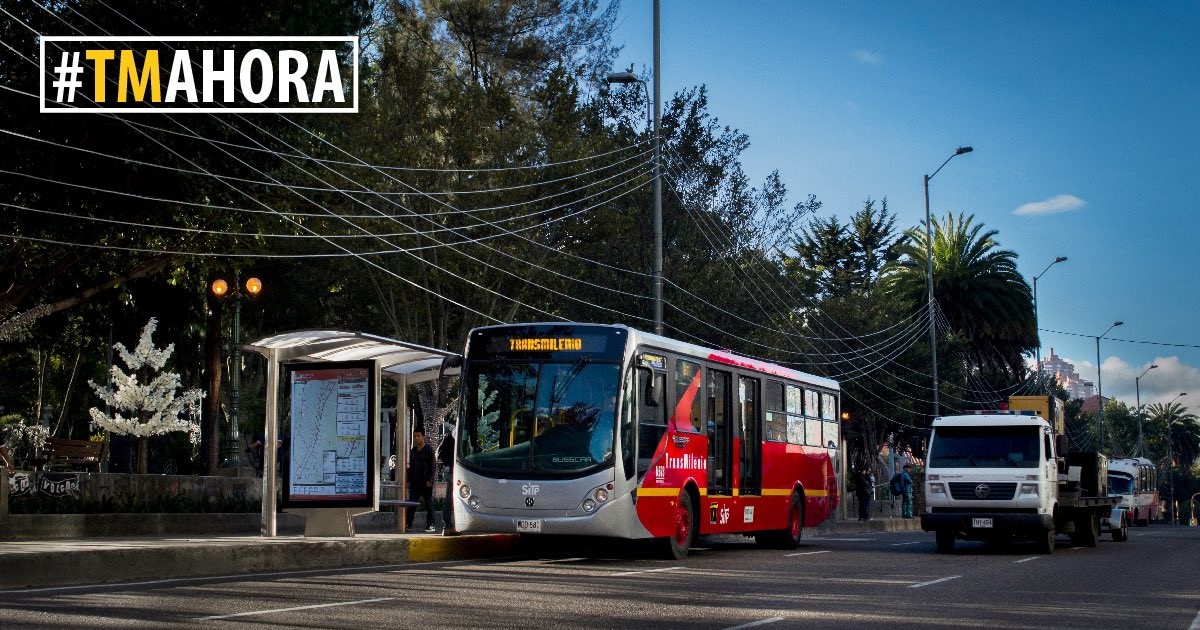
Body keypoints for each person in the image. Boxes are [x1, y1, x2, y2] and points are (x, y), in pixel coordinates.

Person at [406, 428, 437, 533]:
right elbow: (410, 467)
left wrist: (430, 480)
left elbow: (433, 466)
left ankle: (431, 524)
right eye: (415, 436)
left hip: (426, 482)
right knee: (412, 504)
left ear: (423, 436)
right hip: (415, 482)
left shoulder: (429, 450)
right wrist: (408, 480)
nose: (416, 438)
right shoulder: (413, 451)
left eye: (418, 436)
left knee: (428, 503)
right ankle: (408, 524)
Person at [436, 421, 456, 535]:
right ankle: (448, 523)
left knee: (450, 497)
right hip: (453, 469)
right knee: (451, 498)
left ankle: (448, 523)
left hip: (448, 469)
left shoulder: (449, 435)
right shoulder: (455, 435)